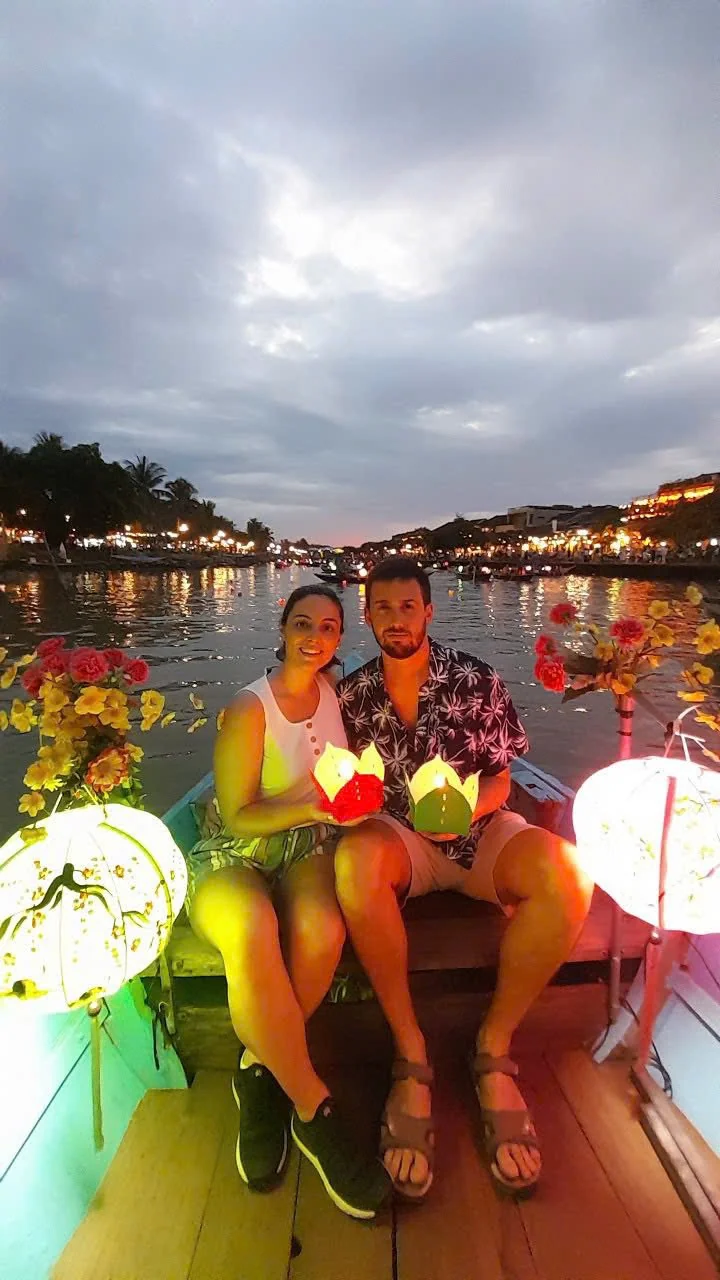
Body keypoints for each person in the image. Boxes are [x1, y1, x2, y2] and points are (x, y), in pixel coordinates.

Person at [335, 559, 593, 1200]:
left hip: (481, 834)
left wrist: (467, 810)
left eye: (408, 606)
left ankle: (493, 1049)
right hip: (401, 839)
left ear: (429, 611)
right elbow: (339, 775)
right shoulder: (351, 696)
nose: (396, 619)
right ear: (368, 616)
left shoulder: (475, 679)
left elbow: (503, 777)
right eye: (383, 608)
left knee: (568, 875)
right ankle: (411, 1051)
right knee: (353, 864)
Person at [185, 585, 389, 1219]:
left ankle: (260, 1065)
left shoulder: (333, 693)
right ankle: (310, 1105)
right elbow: (238, 816)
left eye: (328, 627)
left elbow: (342, 774)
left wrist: (357, 799)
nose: (315, 637)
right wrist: (315, 809)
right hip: (237, 850)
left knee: (324, 930)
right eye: (303, 623)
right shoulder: (250, 708)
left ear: (339, 638)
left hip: (306, 846)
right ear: (282, 627)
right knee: (251, 926)